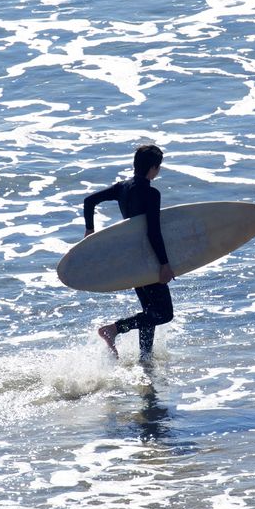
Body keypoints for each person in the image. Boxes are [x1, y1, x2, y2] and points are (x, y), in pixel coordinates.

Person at [82, 144, 174, 361]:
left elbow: (89, 201)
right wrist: (164, 263)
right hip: (148, 259)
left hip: (131, 260)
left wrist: (89, 231)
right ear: (153, 168)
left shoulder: (122, 188)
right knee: (164, 314)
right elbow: (153, 231)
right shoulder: (151, 193)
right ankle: (113, 329)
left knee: (150, 312)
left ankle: (145, 358)